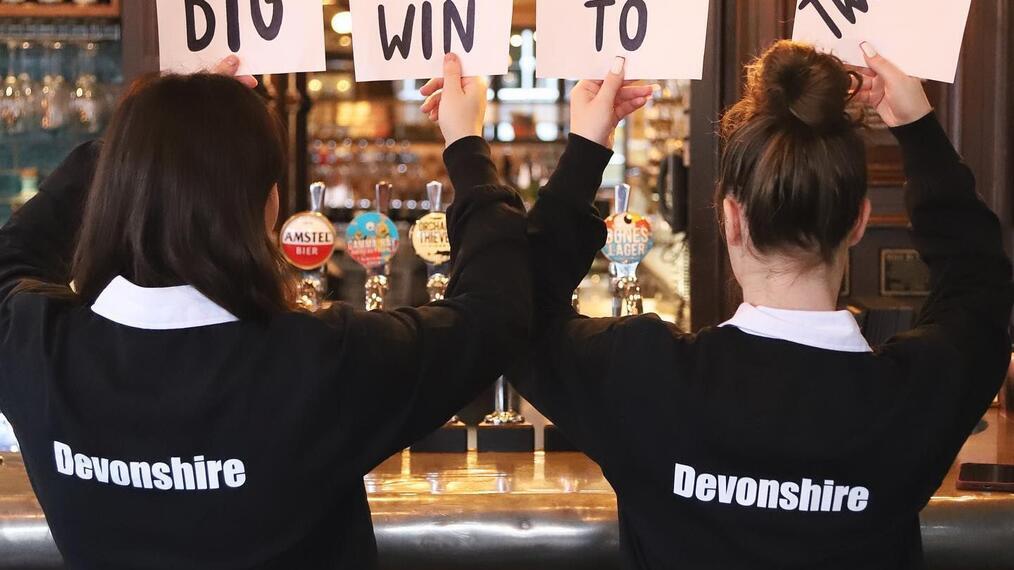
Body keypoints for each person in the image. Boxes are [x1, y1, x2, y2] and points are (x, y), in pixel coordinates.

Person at [0, 54, 529, 569]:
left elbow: (14, 253)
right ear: (268, 204)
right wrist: (466, 147)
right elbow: (493, 313)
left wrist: (151, 137)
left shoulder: (36, 346)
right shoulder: (320, 363)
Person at [522, 41, 1013, 569]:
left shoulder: (640, 374)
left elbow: (518, 313)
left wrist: (585, 150)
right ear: (858, 222)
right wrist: (919, 129)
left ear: (731, 218)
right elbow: (979, 283)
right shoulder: (917, 394)